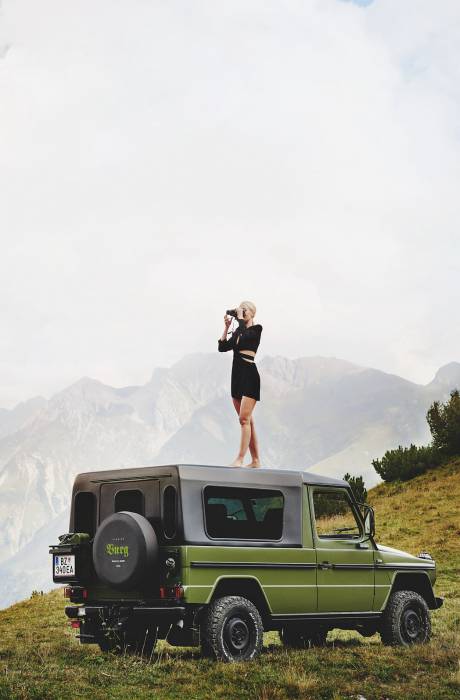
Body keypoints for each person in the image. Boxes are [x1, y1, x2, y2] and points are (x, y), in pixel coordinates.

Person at [218, 301, 263, 467]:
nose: (241, 312)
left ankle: (240, 458)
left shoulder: (256, 329)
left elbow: (246, 337)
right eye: (240, 310)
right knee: (247, 421)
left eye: (244, 310)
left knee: (244, 419)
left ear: (251, 313)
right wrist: (226, 327)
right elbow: (222, 347)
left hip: (250, 376)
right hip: (236, 377)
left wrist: (240, 319)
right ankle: (256, 460)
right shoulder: (238, 331)